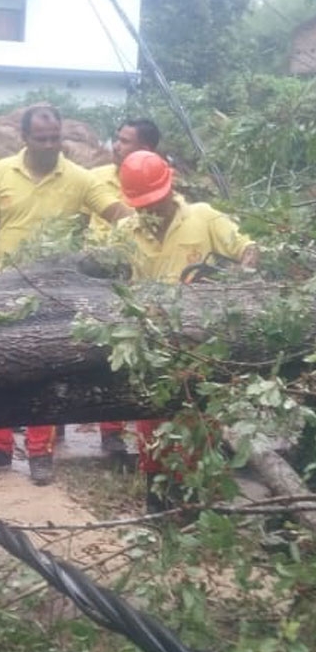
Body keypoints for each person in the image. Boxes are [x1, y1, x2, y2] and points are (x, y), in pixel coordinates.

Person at [0, 104, 132, 485]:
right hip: (4, 287)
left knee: (45, 373)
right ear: (25, 139)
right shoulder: (2, 172)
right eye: (42, 139)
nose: (51, 145)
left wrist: (142, 232)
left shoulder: (80, 178)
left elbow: (120, 214)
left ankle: (40, 452)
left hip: (56, 293)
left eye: (55, 137)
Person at [109, 151, 258, 510]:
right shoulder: (125, 232)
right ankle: (157, 502)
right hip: (152, 343)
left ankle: (194, 503)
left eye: (156, 202)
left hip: (199, 346)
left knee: (198, 424)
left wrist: (235, 282)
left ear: (169, 186)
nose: (152, 210)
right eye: (144, 205)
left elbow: (249, 250)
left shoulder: (204, 217)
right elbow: (113, 283)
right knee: (153, 426)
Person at [91, 120, 161, 458]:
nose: (117, 146)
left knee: (133, 358)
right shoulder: (98, 178)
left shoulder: (161, 187)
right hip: (98, 279)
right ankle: (109, 430)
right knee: (107, 357)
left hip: (140, 283)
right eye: (116, 139)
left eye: (125, 141)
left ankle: (127, 432)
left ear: (147, 149)